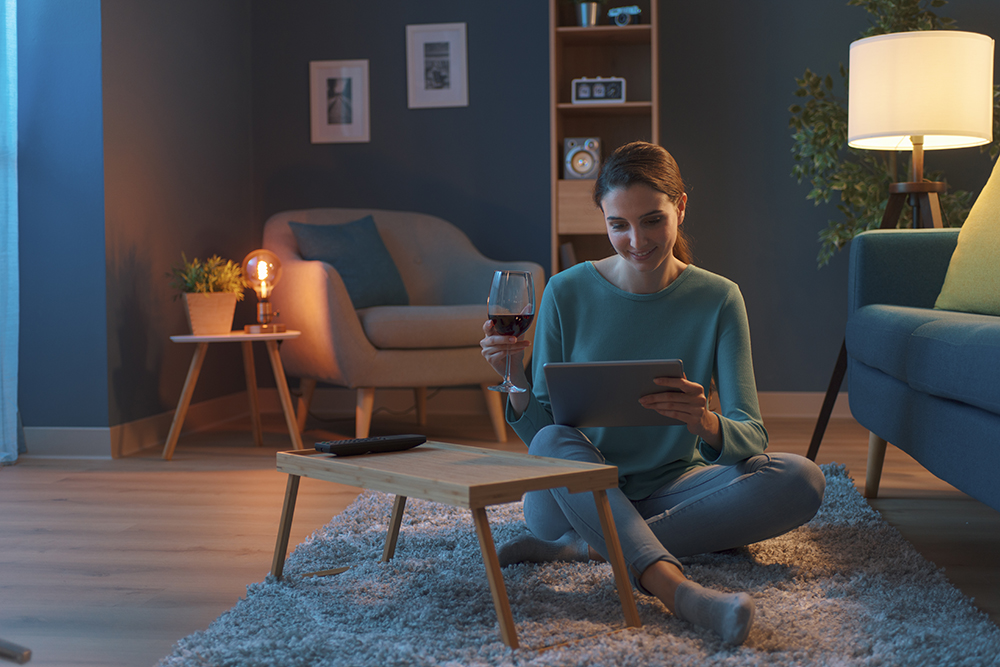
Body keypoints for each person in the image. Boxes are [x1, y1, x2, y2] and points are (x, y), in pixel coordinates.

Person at [480, 141, 825, 646]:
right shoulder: (565, 291)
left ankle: (588, 548)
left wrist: (704, 422)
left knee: (801, 479)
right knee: (556, 441)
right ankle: (680, 592)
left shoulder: (719, 297)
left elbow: (751, 434)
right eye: (618, 224)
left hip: (674, 486)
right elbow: (543, 438)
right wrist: (514, 373)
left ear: (680, 208)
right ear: (603, 219)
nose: (636, 240)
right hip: (574, 492)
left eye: (652, 221)